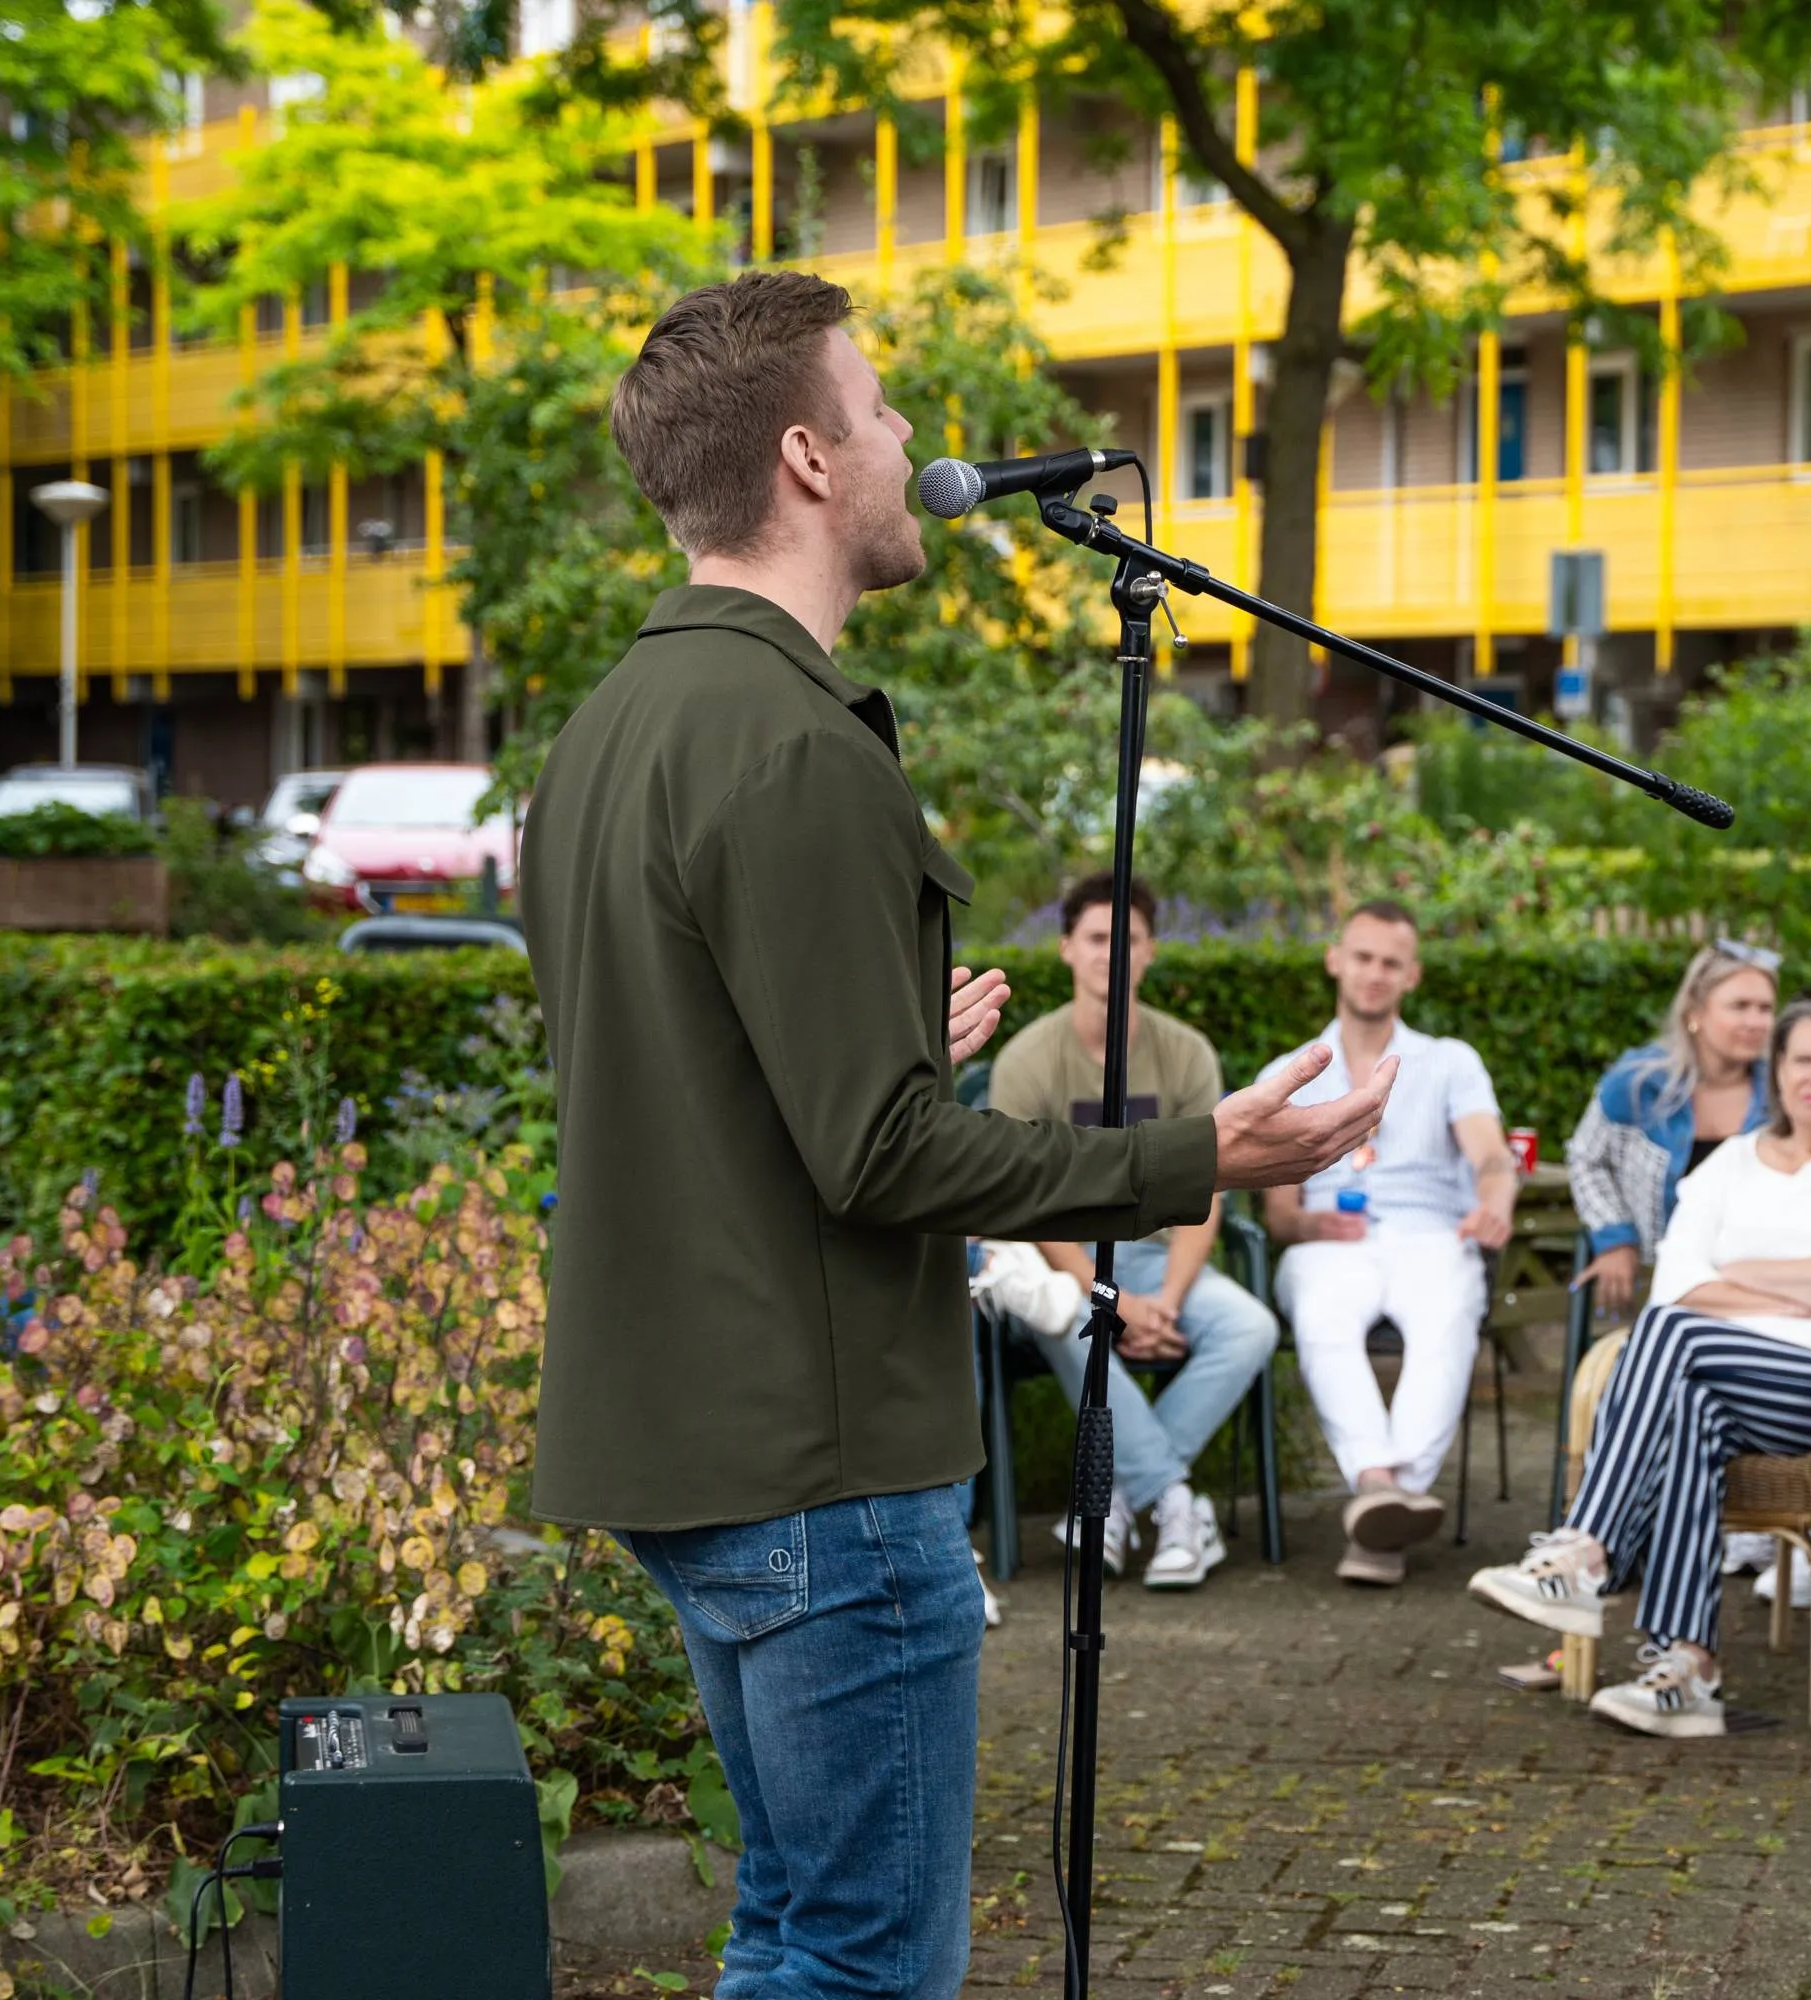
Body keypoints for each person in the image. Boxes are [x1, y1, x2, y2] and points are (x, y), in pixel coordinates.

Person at [519, 271, 1392, 2000]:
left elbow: (691, 1079)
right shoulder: (797, 743)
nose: (911, 433)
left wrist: (883, 1041)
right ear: (807, 458)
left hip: (692, 1441)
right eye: (880, 405)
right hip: (820, 1463)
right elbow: (885, 1161)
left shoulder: (604, 738)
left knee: (789, 1932)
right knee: (860, 1964)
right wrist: (1192, 1157)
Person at [1464, 996, 1811, 1737]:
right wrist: (1807, 1288)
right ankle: (1689, 1669)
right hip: (1729, 1380)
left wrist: (1743, 1277)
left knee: (1670, 1336)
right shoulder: (1733, 1163)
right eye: (1801, 1059)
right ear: (1777, 1071)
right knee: (1689, 1405)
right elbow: (1680, 1282)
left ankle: (1586, 1551)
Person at [987, 872, 1282, 1590]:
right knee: (1066, 1318)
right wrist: (1110, 1299)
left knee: (1251, 1326)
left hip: (1157, 1261)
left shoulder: (1186, 1053)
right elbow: (1025, 1207)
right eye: (1096, 938)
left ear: (1150, 951)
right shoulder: (1028, 1060)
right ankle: (1174, 1503)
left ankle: (1111, 1502)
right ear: (1065, 948)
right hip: (1064, 1267)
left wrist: (1167, 1302)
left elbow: (1209, 1189)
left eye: (1129, 939)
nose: (1111, 954)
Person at [1262, 901, 1517, 1587]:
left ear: (1412, 975)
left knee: (1448, 1313)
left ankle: (1381, 1500)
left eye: (1391, 963)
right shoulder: (1290, 1071)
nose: (1375, 973)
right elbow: (1279, 1215)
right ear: (1335, 960)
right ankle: (1387, 1490)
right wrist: (1311, 1227)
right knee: (1322, 1314)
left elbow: (1492, 1157)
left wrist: (1495, 1205)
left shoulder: (1449, 1062)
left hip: (1430, 1234)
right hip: (1328, 1244)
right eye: (1363, 957)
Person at [1565, 940, 1780, 1325]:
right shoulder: (1638, 1084)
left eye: (1765, 1009)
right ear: (1695, 1012)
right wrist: (1615, 1238)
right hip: (1656, 1285)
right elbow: (1586, 1159)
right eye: (1739, 1006)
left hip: (1755, 1290)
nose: (1756, 1021)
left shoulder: (1783, 1095)